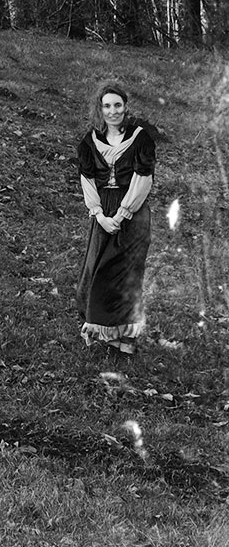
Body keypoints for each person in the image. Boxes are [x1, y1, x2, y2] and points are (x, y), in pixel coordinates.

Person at [76, 81, 157, 351]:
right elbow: (87, 179)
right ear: (100, 109)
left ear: (125, 107)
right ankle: (108, 335)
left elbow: (143, 178)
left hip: (133, 212)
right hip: (103, 211)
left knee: (128, 274)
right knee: (99, 271)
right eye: (107, 106)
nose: (113, 111)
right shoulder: (90, 141)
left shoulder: (141, 138)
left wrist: (122, 215)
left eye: (117, 105)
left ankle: (127, 339)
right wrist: (99, 215)